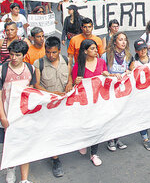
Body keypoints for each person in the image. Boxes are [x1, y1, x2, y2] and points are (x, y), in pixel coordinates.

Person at [71, 39, 116, 166]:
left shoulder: (101, 62)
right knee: (86, 125)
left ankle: (94, 153)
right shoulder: (78, 65)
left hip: (98, 101)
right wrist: (76, 82)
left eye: (96, 48)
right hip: (85, 103)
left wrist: (107, 75)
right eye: (92, 48)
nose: (96, 50)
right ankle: (84, 142)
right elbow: (75, 86)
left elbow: (106, 77)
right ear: (85, 51)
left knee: (97, 126)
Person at [0, 40, 36, 183]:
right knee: (10, 145)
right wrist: (2, 116)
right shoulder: (3, 70)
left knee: (24, 145)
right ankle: (11, 168)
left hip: (23, 116)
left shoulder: (30, 69)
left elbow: (32, 92)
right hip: (8, 115)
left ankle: (24, 179)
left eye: (17, 55)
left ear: (24, 55)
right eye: (12, 55)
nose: (14, 58)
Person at [33, 36, 68, 177]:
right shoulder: (38, 63)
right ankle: (55, 160)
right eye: (48, 52)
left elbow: (70, 75)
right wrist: (51, 94)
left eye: (54, 52)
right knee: (52, 131)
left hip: (64, 103)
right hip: (48, 104)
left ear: (59, 50)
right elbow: (36, 84)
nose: (50, 55)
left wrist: (70, 82)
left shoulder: (66, 60)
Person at [102, 32, 134, 152]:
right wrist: (111, 75)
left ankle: (117, 138)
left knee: (120, 115)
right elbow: (102, 72)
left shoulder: (128, 55)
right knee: (111, 115)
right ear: (115, 41)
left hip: (122, 91)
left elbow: (132, 68)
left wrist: (129, 72)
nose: (123, 42)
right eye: (120, 40)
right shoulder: (106, 56)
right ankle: (110, 139)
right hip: (109, 91)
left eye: (125, 40)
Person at [131, 39, 150, 147]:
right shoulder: (134, 64)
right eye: (140, 49)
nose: (143, 51)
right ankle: (145, 138)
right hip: (141, 94)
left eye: (144, 48)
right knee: (143, 115)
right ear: (136, 51)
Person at [67, 18, 105, 85]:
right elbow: (69, 60)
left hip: (95, 70)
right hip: (80, 69)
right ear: (81, 28)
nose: (87, 29)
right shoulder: (74, 40)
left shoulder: (98, 40)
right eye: (85, 27)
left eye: (89, 27)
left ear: (92, 27)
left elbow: (102, 56)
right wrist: (70, 80)